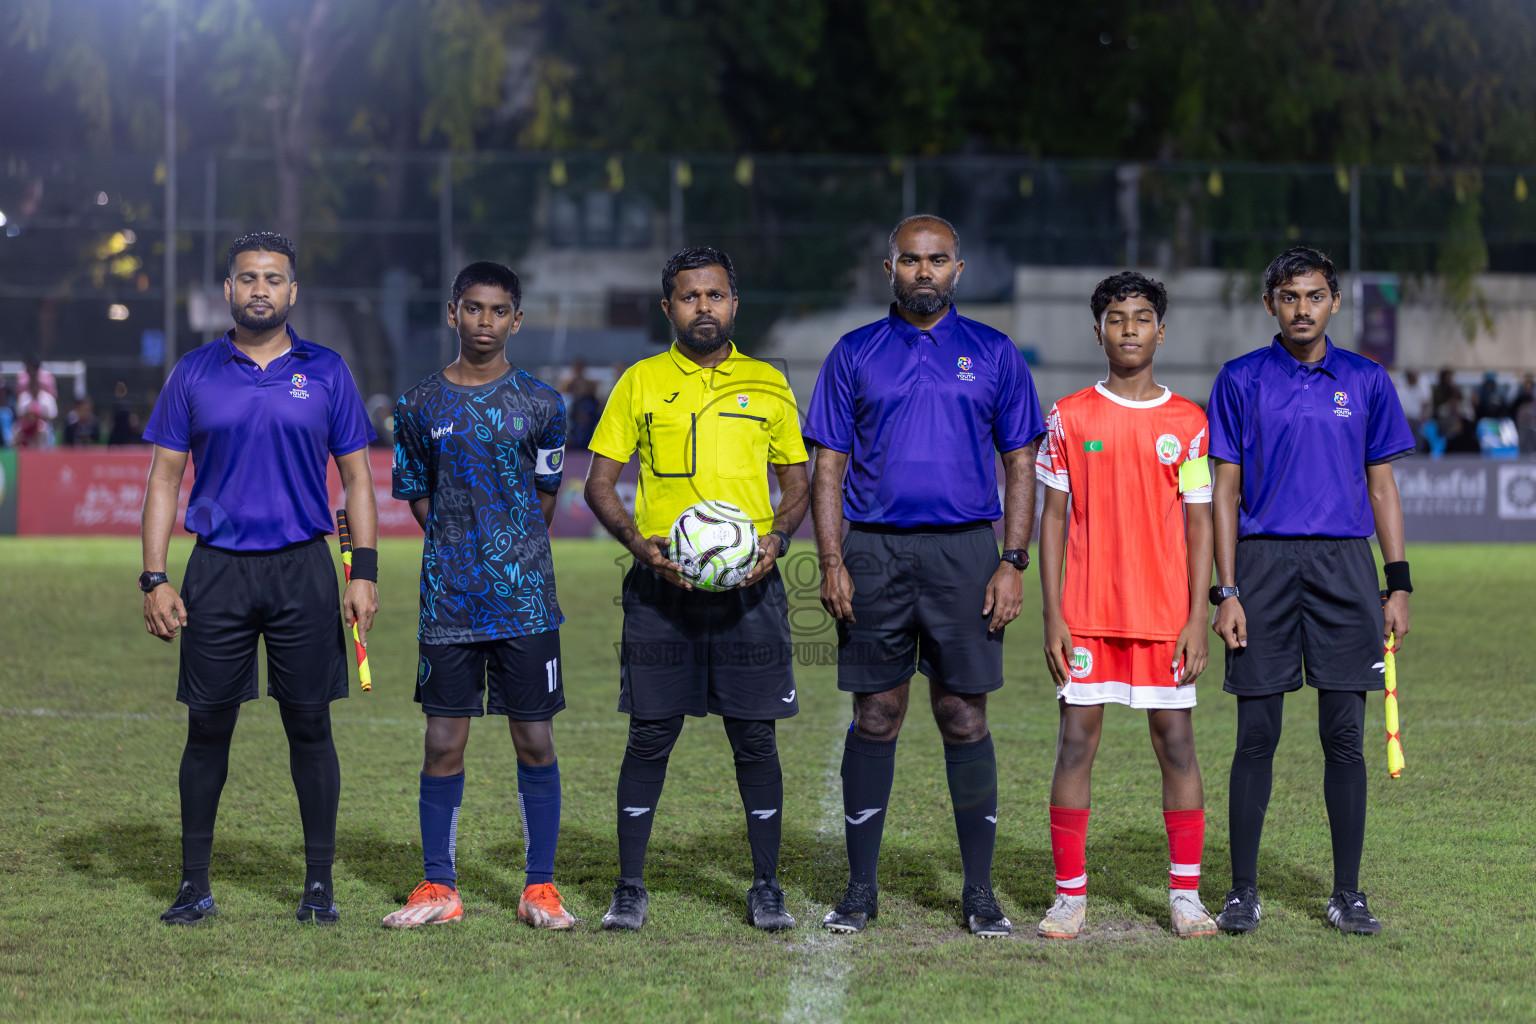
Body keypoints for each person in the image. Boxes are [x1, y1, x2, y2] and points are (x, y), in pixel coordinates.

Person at [805, 214, 1045, 937]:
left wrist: (1011, 560)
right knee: (876, 715)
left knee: (963, 715)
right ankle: (858, 890)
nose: (923, 272)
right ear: (890, 270)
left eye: (937, 260)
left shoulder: (995, 353)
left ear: (958, 270)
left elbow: (1021, 464)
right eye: (910, 261)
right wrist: (831, 559)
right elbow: (829, 466)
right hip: (874, 552)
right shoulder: (853, 354)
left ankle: (979, 893)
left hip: (966, 553)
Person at [140, 231, 379, 926]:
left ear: (292, 291)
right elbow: (163, 480)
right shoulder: (194, 371)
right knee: (207, 728)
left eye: (274, 279)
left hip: (305, 567)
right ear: (229, 290)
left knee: (310, 727)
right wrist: (154, 577)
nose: (260, 290)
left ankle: (318, 886)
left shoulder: (328, 370)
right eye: (248, 278)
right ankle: (193, 885)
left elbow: (359, 480)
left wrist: (362, 573)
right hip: (216, 570)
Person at [583, 246, 810, 932]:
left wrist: (775, 541)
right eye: (689, 297)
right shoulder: (641, 382)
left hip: (749, 592)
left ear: (734, 305)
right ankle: (628, 887)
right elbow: (598, 483)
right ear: (668, 308)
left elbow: (796, 484)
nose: (702, 307)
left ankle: (766, 886)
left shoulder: (769, 382)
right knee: (650, 735)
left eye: (715, 296)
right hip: (662, 591)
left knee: (756, 740)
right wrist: (638, 547)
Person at [1207, 246, 1415, 937]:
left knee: (1344, 737)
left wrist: (1398, 583)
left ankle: (1347, 894)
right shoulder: (1240, 380)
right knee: (1256, 734)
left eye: (1315, 296)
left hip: (1344, 569)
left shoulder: (1366, 379)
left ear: (1335, 302)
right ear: (1270, 304)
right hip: (1261, 569)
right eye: (1289, 297)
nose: (1302, 308)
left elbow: (1382, 485)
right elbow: (1225, 492)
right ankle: (1242, 892)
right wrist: (1225, 590)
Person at [382, 261, 575, 931]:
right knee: (442, 742)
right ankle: (439, 885)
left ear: (516, 321)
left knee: (535, 740)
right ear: (452, 313)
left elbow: (545, 499)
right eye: (473, 309)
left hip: (524, 600)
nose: (484, 321)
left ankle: (540, 889)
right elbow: (420, 500)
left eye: (498, 311)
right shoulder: (416, 406)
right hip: (449, 601)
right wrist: (460, 553)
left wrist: (505, 551)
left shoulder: (545, 405)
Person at [1034, 272, 1216, 940]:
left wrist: (1198, 614)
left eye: (1143, 317)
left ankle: (1186, 896)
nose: (1130, 328)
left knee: (1177, 745)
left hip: (1165, 616)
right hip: (1086, 614)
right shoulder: (1069, 415)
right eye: (1117, 318)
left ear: (1161, 331)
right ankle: (1069, 897)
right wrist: (1052, 612)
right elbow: (1052, 520)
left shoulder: (1189, 423)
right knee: (1075, 743)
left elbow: (1200, 524)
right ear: (1098, 330)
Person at [14, 372, 57, 448]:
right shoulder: (20, 429)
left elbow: (53, 416)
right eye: (29, 415)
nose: (31, 418)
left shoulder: (43, 429)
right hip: (23, 453)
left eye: (33, 415)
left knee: (49, 429)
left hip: (39, 452)